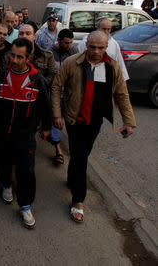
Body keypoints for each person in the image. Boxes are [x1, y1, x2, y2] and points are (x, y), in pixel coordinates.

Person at [51, 31, 136, 224]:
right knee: (80, 157)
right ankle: (78, 200)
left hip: (95, 122)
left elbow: (122, 95)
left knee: (81, 155)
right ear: (86, 45)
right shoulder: (72, 63)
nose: (96, 51)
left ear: (107, 47)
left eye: (100, 48)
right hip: (74, 120)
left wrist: (129, 121)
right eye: (92, 47)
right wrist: (56, 113)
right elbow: (57, 87)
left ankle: (72, 178)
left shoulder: (112, 67)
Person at [0, 38, 51, 229]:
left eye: (19, 57)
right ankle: (6, 185)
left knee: (26, 171)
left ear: (29, 58)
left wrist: (46, 127)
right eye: (12, 55)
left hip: (25, 136)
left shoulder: (37, 80)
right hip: (2, 133)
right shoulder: (1, 76)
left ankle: (25, 205)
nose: (14, 60)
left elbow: (45, 107)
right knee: (3, 162)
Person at [49, 29, 79, 165]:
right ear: (59, 41)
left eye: (71, 43)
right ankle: (58, 150)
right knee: (56, 121)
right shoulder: (50, 52)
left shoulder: (75, 52)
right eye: (66, 43)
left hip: (70, 95)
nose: (69, 45)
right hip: (55, 93)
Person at [18, 23, 58, 88]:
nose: (24, 36)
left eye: (28, 33)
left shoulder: (47, 55)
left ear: (34, 36)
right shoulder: (10, 55)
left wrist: (40, 84)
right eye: (21, 33)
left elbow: (53, 74)